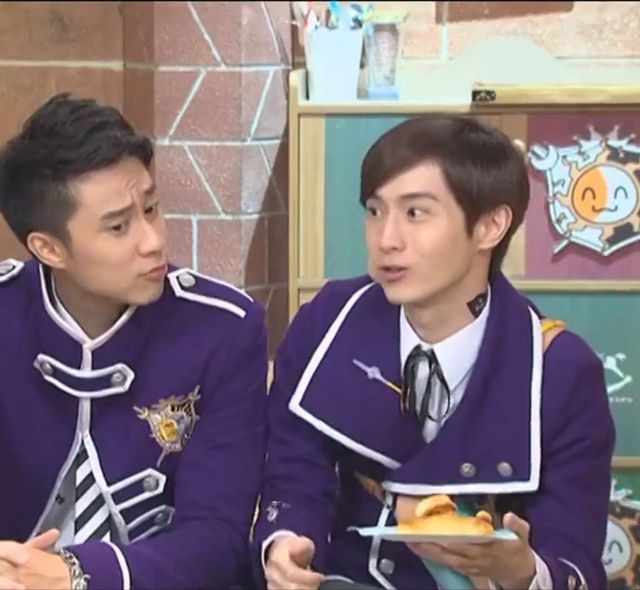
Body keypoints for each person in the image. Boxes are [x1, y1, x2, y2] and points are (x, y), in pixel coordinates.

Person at [253, 115, 615, 590]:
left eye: (415, 213)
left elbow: (575, 561)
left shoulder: (561, 371)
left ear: (490, 226)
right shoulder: (328, 321)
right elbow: (294, 472)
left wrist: (521, 572)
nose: (386, 239)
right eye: (375, 211)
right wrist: (284, 545)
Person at [0, 93, 268, 590]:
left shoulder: (223, 328)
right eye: (119, 226)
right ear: (49, 248)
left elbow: (218, 539)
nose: (153, 240)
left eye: (152, 208)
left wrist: (77, 574)